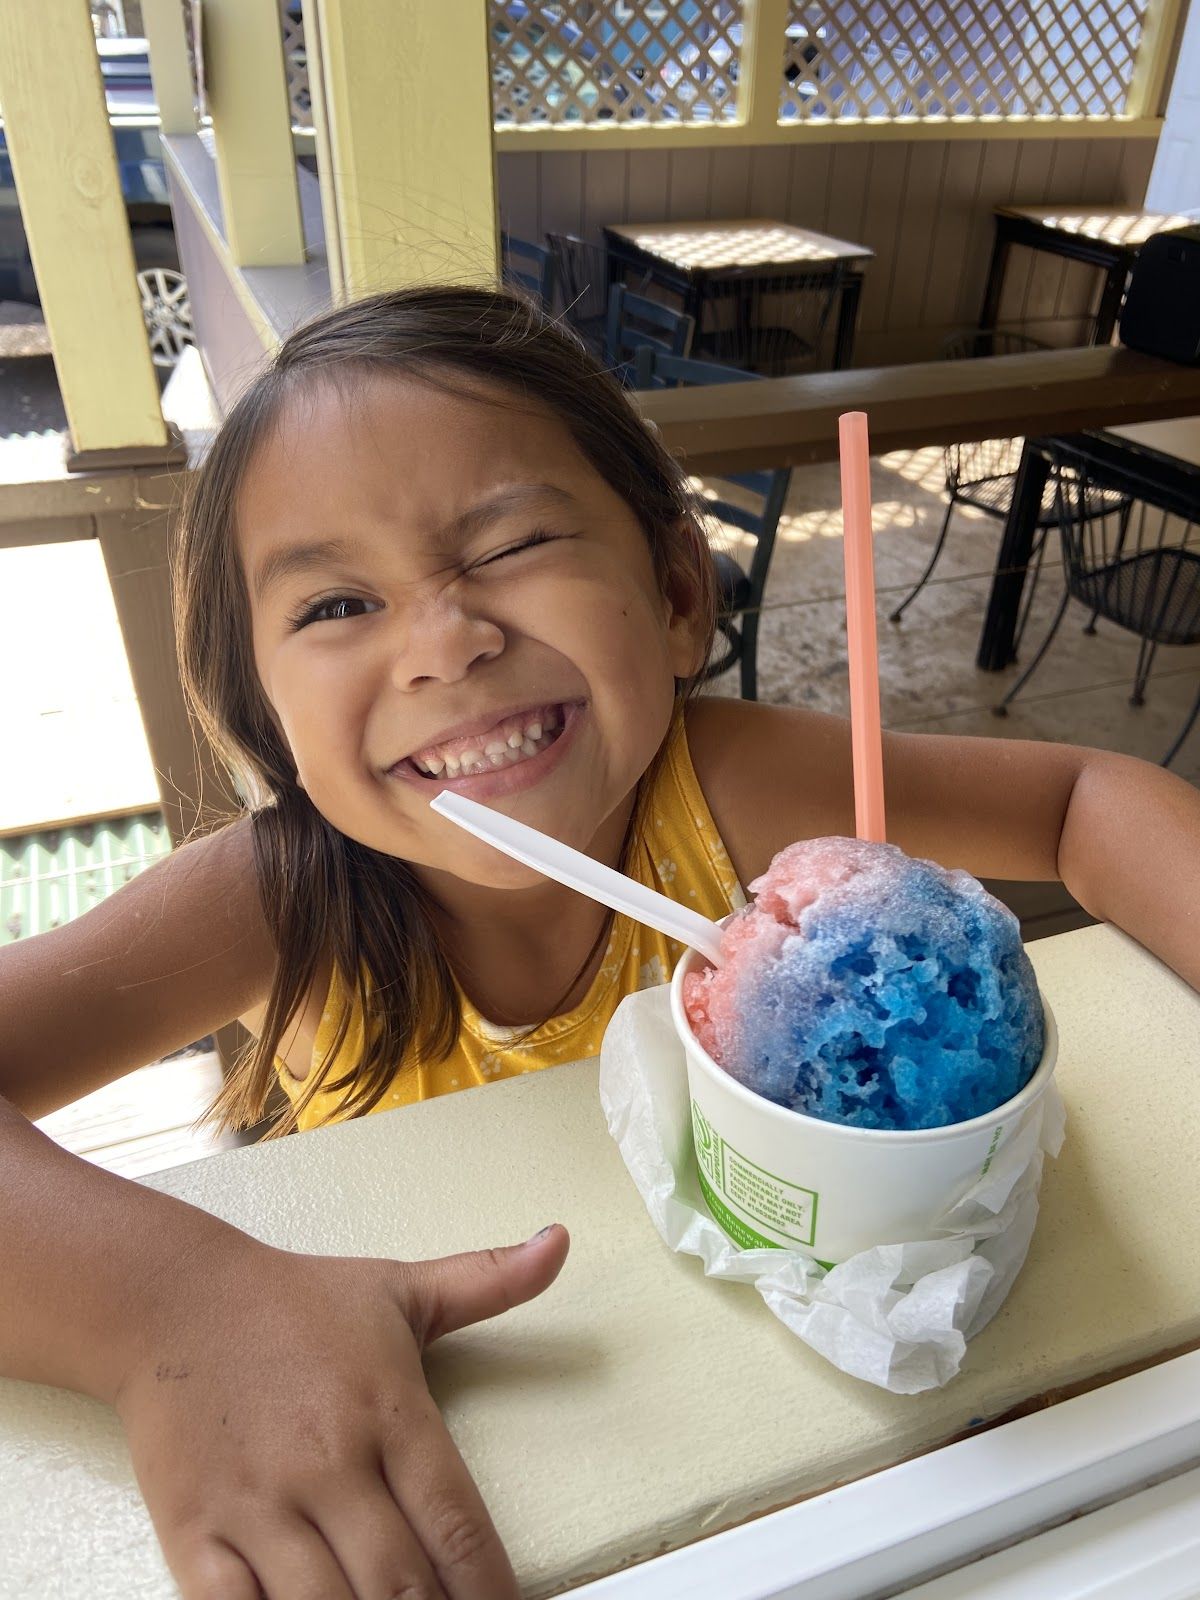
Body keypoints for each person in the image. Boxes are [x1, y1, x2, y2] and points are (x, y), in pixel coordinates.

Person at [2, 286, 1198, 1598]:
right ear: (267, 726)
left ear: (679, 594)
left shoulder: (734, 797)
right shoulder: (277, 902)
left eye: (508, 545)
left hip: (821, 1460)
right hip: (483, 1467)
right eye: (335, 606)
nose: (444, 644)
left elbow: (1087, 801)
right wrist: (166, 1312)